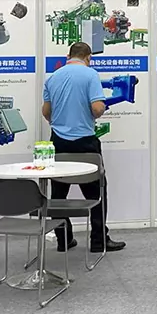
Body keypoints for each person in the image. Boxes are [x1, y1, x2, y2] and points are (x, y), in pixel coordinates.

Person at [42, 42, 126, 253]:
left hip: (58, 141)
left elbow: (46, 112)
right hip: (85, 143)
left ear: (68, 56)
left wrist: (59, 123)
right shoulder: (90, 75)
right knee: (97, 193)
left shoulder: (52, 78)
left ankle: (64, 240)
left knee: (58, 194)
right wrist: (101, 107)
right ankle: (98, 241)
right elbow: (97, 108)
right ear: (88, 57)